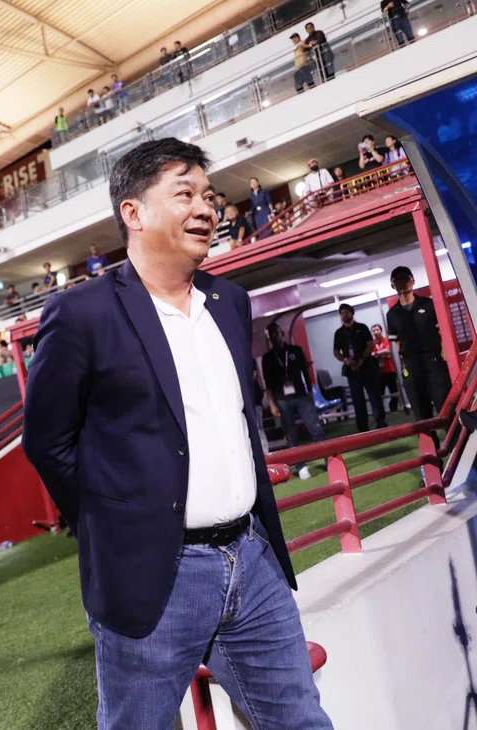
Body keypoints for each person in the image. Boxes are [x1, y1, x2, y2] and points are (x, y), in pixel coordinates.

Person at [22, 138, 332, 730]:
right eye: (183, 194)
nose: (207, 208)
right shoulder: (83, 313)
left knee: (299, 719)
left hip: (253, 556)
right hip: (156, 575)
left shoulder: (229, 301)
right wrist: (116, 522)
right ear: (133, 212)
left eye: (209, 195)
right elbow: (47, 440)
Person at [386, 266, 452, 421]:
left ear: (412, 281)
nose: (402, 283)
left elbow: (442, 332)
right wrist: (404, 363)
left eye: (405, 279)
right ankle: (433, 444)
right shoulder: (392, 314)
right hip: (411, 364)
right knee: (421, 413)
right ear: (392, 285)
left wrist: (444, 354)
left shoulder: (428, 305)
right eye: (398, 280)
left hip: (433, 361)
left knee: (445, 408)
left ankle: (456, 443)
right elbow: (396, 342)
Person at [262, 323, 326, 480]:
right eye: (271, 335)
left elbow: (305, 371)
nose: (274, 337)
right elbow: (268, 384)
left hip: (300, 395)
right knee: (291, 433)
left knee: (315, 427)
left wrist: (311, 392)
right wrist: (271, 403)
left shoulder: (295, 351)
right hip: (281, 399)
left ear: (282, 333)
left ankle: (329, 458)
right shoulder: (267, 358)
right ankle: (301, 466)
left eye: (276, 333)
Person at [333, 303, 387, 432]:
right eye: (342, 313)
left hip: (367, 367)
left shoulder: (361, 328)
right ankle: (363, 427)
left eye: (346, 312)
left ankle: (381, 422)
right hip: (352, 371)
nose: (344, 315)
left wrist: (362, 359)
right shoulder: (339, 333)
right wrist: (346, 360)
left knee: (374, 396)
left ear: (352, 313)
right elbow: (336, 352)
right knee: (358, 399)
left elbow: (370, 344)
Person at [372, 324, 400, 413]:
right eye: (373, 331)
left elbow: (388, 351)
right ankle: (381, 411)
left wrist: (377, 354)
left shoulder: (386, 340)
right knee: (379, 393)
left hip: (390, 370)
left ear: (381, 330)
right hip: (378, 372)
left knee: (394, 391)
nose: (375, 332)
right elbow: (371, 354)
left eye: (377, 330)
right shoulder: (372, 343)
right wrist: (382, 354)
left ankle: (393, 408)